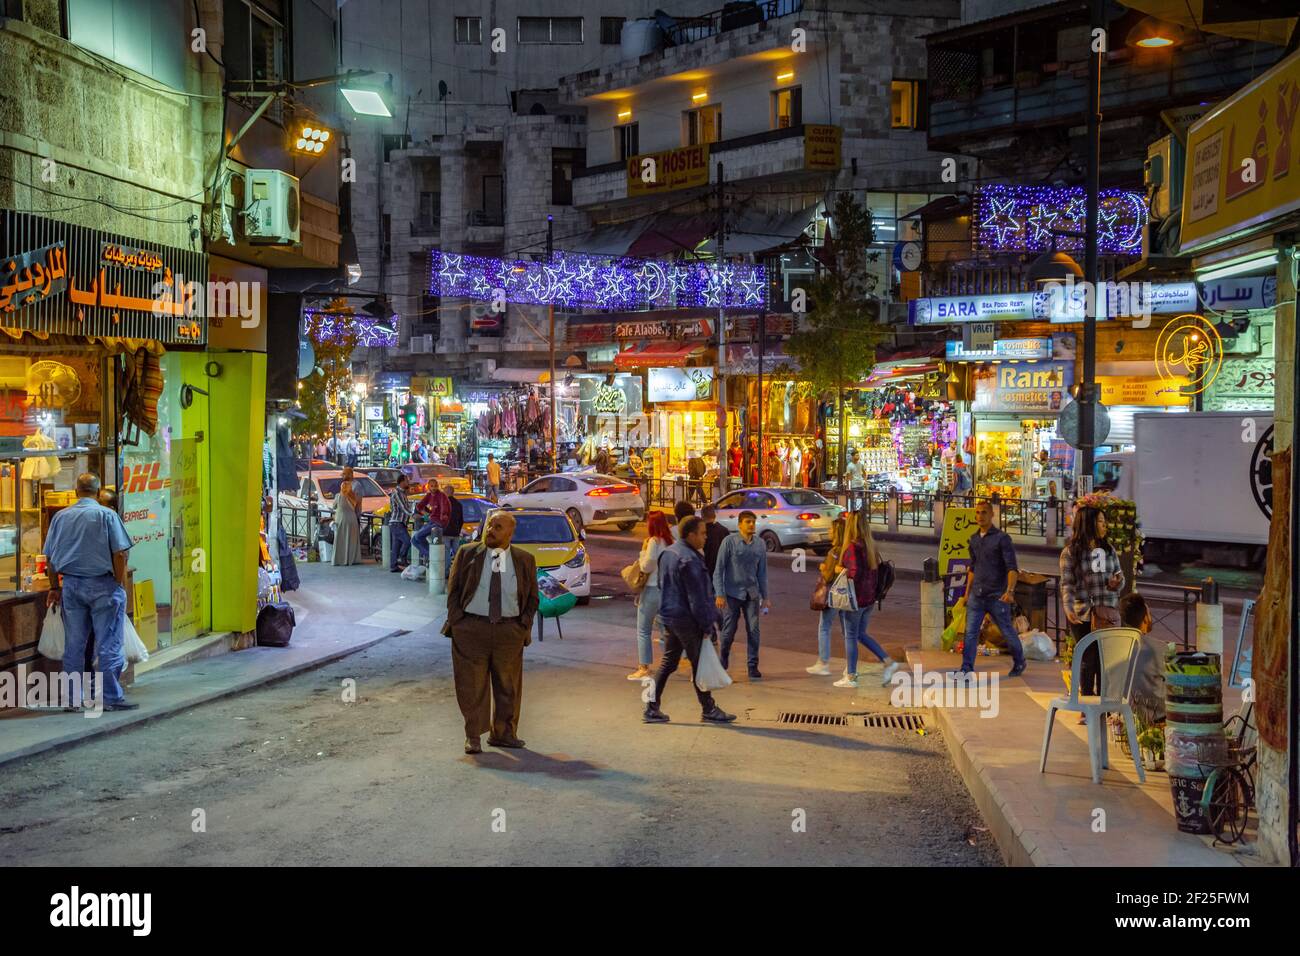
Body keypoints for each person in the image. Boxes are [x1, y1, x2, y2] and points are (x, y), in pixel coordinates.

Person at [443, 511, 539, 754]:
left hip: (509, 631)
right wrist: (458, 622)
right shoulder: (467, 554)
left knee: (508, 686)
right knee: (471, 685)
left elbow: (532, 598)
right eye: (489, 526)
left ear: (510, 533)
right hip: (472, 630)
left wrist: (522, 626)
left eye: (497, 527)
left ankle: (504, 734)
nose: (490, 531)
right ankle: (473, 736)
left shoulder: (524, 560)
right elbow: (452, 589)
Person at [44, 473, 135, 711]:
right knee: (108, 643)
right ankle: (110, 698)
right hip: (103, 585)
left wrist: (54, 587)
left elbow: (50, 558)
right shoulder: (107, 515)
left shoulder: (60, 518)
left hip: (72, 586)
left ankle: (73, 700)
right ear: (97, 492)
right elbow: (120, 554)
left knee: (74, 645)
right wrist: (119, 582)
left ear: (76, 492)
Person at [643, 516, 735, 725]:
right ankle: (708, 708)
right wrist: (707, 624)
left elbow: (662, 585)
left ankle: (651, 707)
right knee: (697, 662)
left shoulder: (669, 553)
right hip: (686, 620)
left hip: (670, 616)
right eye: (702, 533)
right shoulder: (690, 559)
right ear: (691, 534)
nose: (706, 537)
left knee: (669, 662)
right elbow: (698, 597)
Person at [1059, 505, 1124, 717]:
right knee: (1088, 658)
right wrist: (1068, 608)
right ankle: (1088, 707)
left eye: (1105, 522)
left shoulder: (1109, 550)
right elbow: (1067, 584)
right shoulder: (1071, 552)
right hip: (1083, 612)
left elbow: (1119, 576)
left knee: (1106, 661)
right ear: (1088, 524)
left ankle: (1102, 706)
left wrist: (1117, 583)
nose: (1105, 526)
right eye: (1100, 522)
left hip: (1107, 612)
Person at [956, 500, 1027, 678]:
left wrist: (1009, 591)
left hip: (997, 596)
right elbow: (973, 568)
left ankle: (1019, 661)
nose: (980, 516)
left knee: (1007, 632)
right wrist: (966, 594)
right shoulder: (973, 539)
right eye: (978, 513)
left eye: (984, 512)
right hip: (977, 596)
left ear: (992, 515)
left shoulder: (1002, 539)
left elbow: (1012, 568)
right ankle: (966, 668)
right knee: (971, 632)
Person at [833, 512, 902, 688]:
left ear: (851, 526)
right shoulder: (870, 546)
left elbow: (854, 572)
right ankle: (888, 662)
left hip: (855, 601)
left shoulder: (852, 548)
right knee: (861, 635)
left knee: (850, 637)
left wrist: (841, 569)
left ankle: (851, 676)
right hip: (869, 600)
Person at [713, 510, 770, 679]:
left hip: (751, 594)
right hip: (732, 594)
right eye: (748, 522)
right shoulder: (729, 542)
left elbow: (762, 573)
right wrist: (720, 594)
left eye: (753, 521)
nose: (752, 524)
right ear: (740, 525)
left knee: (753, 630)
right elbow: (719, 570)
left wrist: (765, 597)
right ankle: (723, 659)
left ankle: (753, 665)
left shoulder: (759, 544)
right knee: (729, 630)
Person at [629, 511, 673, 681]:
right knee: (666, 630)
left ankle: (644, 667)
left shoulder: (653, 542)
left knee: (643, 629)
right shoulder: (670, 542)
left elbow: (646, 566)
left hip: (652, 589)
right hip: (666, 590)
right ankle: (685, 661)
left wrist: (642, 552)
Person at [806, 514, 846, 677]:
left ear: (837, 532)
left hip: (831, 594)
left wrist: (823, 567)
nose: (829, 531)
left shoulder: (834, 552)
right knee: (847, 631)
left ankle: (823, 663)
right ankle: (850, 665)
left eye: (831, 528)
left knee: (824, 627)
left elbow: (829, 575)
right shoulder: (846, 549)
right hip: (844, 594)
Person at [412, 478, 450, 567]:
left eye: (435, 486)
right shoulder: (429, 495)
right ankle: (430, 554)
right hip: (432, 521)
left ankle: (431, 555)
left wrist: (442, 518)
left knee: (417, 536)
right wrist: (426, 513)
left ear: (438, 486)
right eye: (432, 486)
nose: (434, 488)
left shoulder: (441, 495)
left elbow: (444, 509)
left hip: (438, 523)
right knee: (413, 540)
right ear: (428, 487)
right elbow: (419, 506)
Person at [331, 466, 362, 566]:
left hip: (348, 517)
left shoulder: (356, 486)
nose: (343, 477)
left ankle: (342, 559)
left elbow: (358, 502)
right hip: (351, 517)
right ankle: (350, 559)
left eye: (344, 474)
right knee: (350, 541)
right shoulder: (347, 493)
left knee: (342, 540)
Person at [386, 473, 414, 572]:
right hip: (397, 522)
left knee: (396, 546)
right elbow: (403, 507)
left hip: (399, 523)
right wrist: (413, 514)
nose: (408, 482)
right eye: (407, 480)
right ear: (402, 481)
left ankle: (393, 566)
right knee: (408, 541)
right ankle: (402, 558)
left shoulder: (402, 493)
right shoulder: (397, 493)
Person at [701, 504, 729, 575]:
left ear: (702, 516)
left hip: (707, 571)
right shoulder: (724, 530)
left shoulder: (701, 532)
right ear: (714, 516)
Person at [444, 486, 465, 578]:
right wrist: (458, 530)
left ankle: (446, 572)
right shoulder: (458, 504)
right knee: (457, 553)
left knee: (446, 553)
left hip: (445, 532)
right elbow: (461, 520)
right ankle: (459, 572)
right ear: (453, 492)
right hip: (455, 532)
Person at [844, 447, 866, 511]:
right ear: (852, 456)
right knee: (853, 501)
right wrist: (847, 487)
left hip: (861, 484)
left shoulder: (861, 464)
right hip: (854, 485)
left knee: (864, 499)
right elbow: (847, 476)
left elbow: (864, 473)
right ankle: (853, 512)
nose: (858, 456)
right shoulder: (849, 466)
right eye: (856, 455)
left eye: (858, 455)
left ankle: (863, 511)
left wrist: (865, 481)